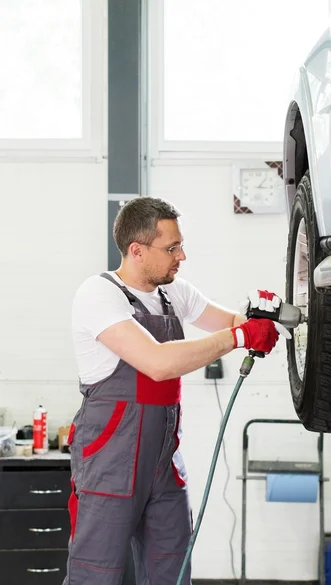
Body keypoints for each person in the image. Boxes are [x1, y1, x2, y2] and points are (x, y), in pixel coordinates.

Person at [63, 196, 289, 585]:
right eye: (171, 248)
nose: (181, 255)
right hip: (110, 466)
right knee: (95, 576)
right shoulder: (99, 294)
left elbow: (230, 322)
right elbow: (158, 363)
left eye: (180, 245)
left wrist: (261, 320)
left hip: (164, 465)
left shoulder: (174, 293)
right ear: (137, 250)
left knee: (172, 573)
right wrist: (238, 336)